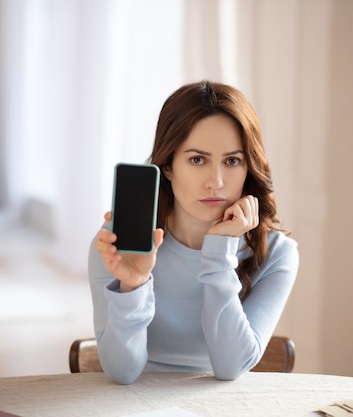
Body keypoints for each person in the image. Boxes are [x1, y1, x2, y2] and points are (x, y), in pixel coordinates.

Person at [88, 80, 299, 385]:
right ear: (169, 166)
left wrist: (220, 252)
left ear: (248, 168)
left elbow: (231, 366)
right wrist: (132, 285)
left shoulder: (277, 253)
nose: (216, 181)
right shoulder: (120, 243)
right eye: (197, 159)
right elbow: (123, 371)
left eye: (232, 161)